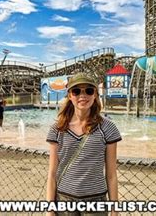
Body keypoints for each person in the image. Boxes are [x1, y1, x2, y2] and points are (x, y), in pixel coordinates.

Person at [46, 73, 121, 216]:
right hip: (64, 200)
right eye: (76, 91)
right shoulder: (57, 129)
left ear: (95, 95)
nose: (83, 95)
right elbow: (52, 173)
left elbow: (111, 174)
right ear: (69, 95)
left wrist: (114, 209)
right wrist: (50, 209)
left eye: (88, 90)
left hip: (96, 202)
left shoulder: (107, 128)